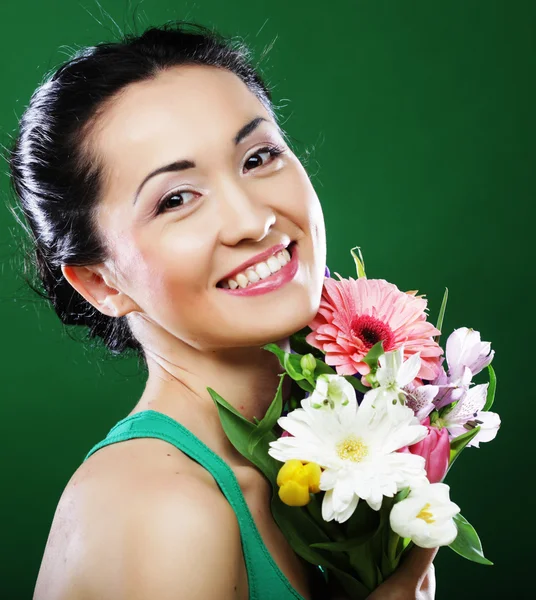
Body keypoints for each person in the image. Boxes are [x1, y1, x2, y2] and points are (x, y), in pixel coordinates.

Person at [8, 20, 437, 599]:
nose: (251, 220)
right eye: (176, 199)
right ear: (99, 282)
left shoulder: (315, 469)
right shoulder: (160, 506)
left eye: (258, 158)